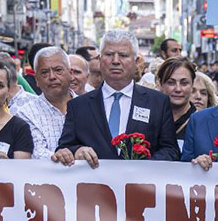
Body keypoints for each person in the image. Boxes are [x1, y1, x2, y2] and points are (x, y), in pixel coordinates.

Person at [53, 30, 180, 167]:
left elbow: (171, 150)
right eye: (109, 55)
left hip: (141, 185)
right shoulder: (78, 106)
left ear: (136, 61)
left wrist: (143, 166)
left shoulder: (158, 102)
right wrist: (77, 151)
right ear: (100, 60)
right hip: (94, 185)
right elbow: (63, 149)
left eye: (123, 55)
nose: (115, 61)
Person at [18, 47, 73, 160]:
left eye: (58, 70)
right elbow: (37, 153)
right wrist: (63, 157)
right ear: (36, 80)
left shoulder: (88, 106)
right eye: (44, 72)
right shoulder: (26, 113)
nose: (52, 77)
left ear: (70, 73)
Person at [156, 57, 197, 146]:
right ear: (159, 84)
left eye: (184, 83)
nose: (178, 89)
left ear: (192, 85)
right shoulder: (151, 118)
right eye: (171, 82)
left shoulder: (201, 122)